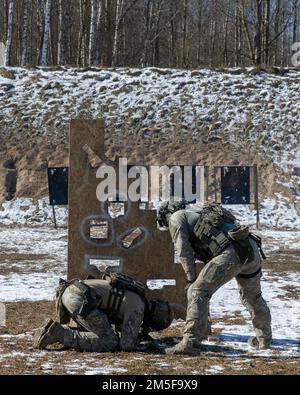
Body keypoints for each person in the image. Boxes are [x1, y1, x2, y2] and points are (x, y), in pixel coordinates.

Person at [157, 200, 272, 356]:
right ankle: (264, 339)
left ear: (166, 215)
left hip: (231, 252)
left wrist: (191, 279)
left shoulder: (176, 217)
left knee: (197, 291)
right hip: (249, 246)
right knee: (253, 297)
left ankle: (190, 343)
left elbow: (184, 252)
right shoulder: (199, 212)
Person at [33, 271, 173, 353]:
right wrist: (140, 339)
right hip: (81, 300)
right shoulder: (138, 308)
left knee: (102, 330)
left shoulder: (137, 297)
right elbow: (126, 345)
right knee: (109, 341)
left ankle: (53, 331)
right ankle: (58, 333)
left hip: (74, 293)